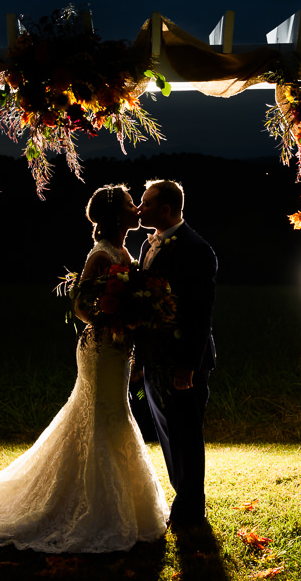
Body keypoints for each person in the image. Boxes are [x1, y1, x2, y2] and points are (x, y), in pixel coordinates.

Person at [0, 184, 169, 553]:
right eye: (130, 204)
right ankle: (96, 505)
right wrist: (113, 320)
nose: (137, 208)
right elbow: (80, 306)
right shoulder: (102, 255)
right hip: (101, 348)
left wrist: (132, 321)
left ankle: (124, 503)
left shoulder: (124, 249)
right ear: (116, 215)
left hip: (118, 349)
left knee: (112, 413)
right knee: (103, 415)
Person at [136, 179, 217, 529]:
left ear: (165, 209)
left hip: (183, 360)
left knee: (186, 433)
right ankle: (182, 498)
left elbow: (200, 314)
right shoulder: (147, 245)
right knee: (168, 433)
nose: (140, 209)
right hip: (154, 359)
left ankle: (190, 511)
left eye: (146, 203)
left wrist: (187, 366)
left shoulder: (196, 250)